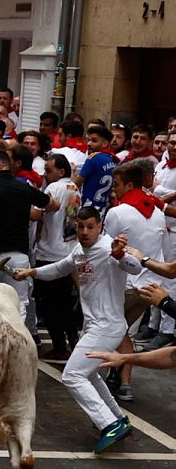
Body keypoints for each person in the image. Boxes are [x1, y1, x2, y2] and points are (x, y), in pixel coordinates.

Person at [13, 207, 139, 453]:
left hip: (107, 327)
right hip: (94, 325)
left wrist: (120, 254)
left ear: (100, 226)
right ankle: (117, 417)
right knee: (88, 374)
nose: (84, 232)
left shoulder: (108, 248)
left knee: (72, 375)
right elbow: (59, 268)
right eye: (80, 226)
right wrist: (33, 272)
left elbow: (135, 267)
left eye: (90, 227)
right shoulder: (80, 251)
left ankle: (109, 424)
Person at [0, 151, 59, 337]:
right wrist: (34, 213)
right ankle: (16, 343)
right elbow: (53, 205)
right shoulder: (24, 188)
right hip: (17, 256)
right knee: (19, 303)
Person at [102, 162, 173, 401]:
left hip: (125, 283)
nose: (115, 190)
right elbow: (164, 254)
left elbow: (107, 251)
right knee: (122, 330)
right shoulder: (157, 211)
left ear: (129, 184)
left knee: (115, 329)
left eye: (118, 185)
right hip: (151, 286)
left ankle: (123, 382)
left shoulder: (117, 212)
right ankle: (119, 377)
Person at [32, 154, 82, 362]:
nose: (45, 173)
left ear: (61, 171)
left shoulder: (53, 189)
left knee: (47, 303)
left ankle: (59, 346)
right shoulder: (74, 188)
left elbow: (38, 214)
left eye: (49, 169)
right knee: (63, 302)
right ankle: (72, 339)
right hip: (68, 250)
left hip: (50, 252)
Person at [74, 125, 118, 212]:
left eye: (94, 141)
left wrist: (72, 172)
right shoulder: (115, 160)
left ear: (105, 143)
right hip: (103, 208)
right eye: (88, 140)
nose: (89, 144)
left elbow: (76, 184)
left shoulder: (93, 158)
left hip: (88, 207)